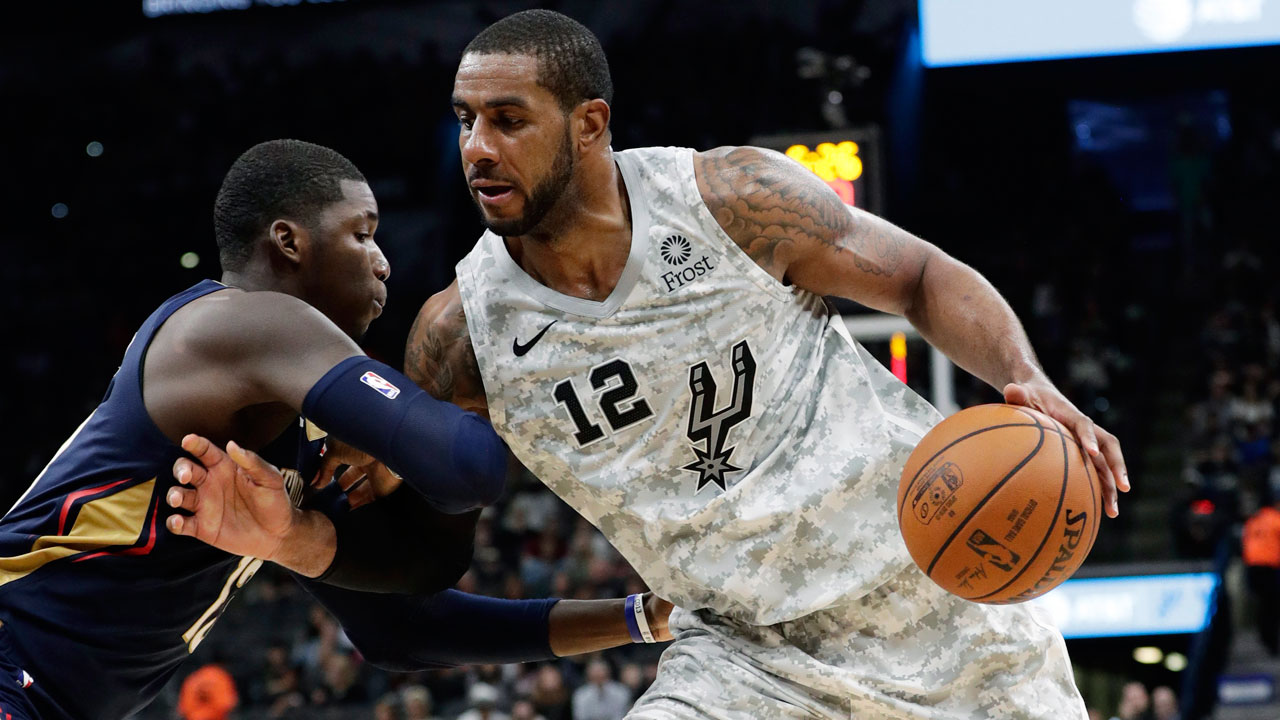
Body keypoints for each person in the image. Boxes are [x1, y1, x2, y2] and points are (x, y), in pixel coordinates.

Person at [178, 10, 1129, 719]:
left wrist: (1030, 380)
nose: (477, 148)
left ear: (589, 124)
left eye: (508, 119)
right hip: (746, 662)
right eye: (465, 120)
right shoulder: (460, 334)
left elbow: (921, 278)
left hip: (943, 604)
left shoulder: (729, 199)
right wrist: (304, 526)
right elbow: (411, 562)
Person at [0, 139, 669, 720]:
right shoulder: (240, 321)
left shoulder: (300, 430)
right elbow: (464, 467)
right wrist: (446, 397)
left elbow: (403, 629)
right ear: (289, 242)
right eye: (362, 233)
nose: (383, 261)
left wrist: (642, 617)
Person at [1242, 493, 1280, 655]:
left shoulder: (1254, 520)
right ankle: (1270, 641)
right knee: (1271, 605)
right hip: (1269, 567)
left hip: (1252, 567)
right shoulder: (1276, 519)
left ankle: (1265, 637)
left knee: (1263, 604)